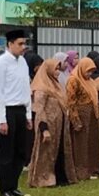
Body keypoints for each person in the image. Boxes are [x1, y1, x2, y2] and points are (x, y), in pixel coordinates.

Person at [0, 29, 34, 196]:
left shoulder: (22, 62)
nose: (23, 47)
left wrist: (28, 115)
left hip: (21, 109)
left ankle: (14, 186)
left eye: (24, 44)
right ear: (10, 44)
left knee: (21, 151)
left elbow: (26, 89)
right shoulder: (1, 63)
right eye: (20, 44)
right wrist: (1, 119)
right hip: (7, 110)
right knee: (6, 152)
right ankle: (4, 189)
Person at [29, 57, 67, 187]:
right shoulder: (41, 87)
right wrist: (44, 129)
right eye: (55, 69)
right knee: (45, 154)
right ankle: (43, 179)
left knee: (58, 152)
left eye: (58, 69)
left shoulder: (56, 85)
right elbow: (39, 109)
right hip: (47, 125)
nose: (57, 72)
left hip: (59, 125)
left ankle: (58, 177)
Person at [65, 56, 99, 181]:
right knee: (80, 144)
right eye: (88, 71)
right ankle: (81, 171)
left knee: (92, 142)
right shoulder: (74, 80)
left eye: (92, 71)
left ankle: (93, 169)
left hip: (92, 117)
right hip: (81, 116)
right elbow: (71, 102)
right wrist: (75, 120)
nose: (90, 74)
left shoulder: (90, 82)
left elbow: (96, 100)